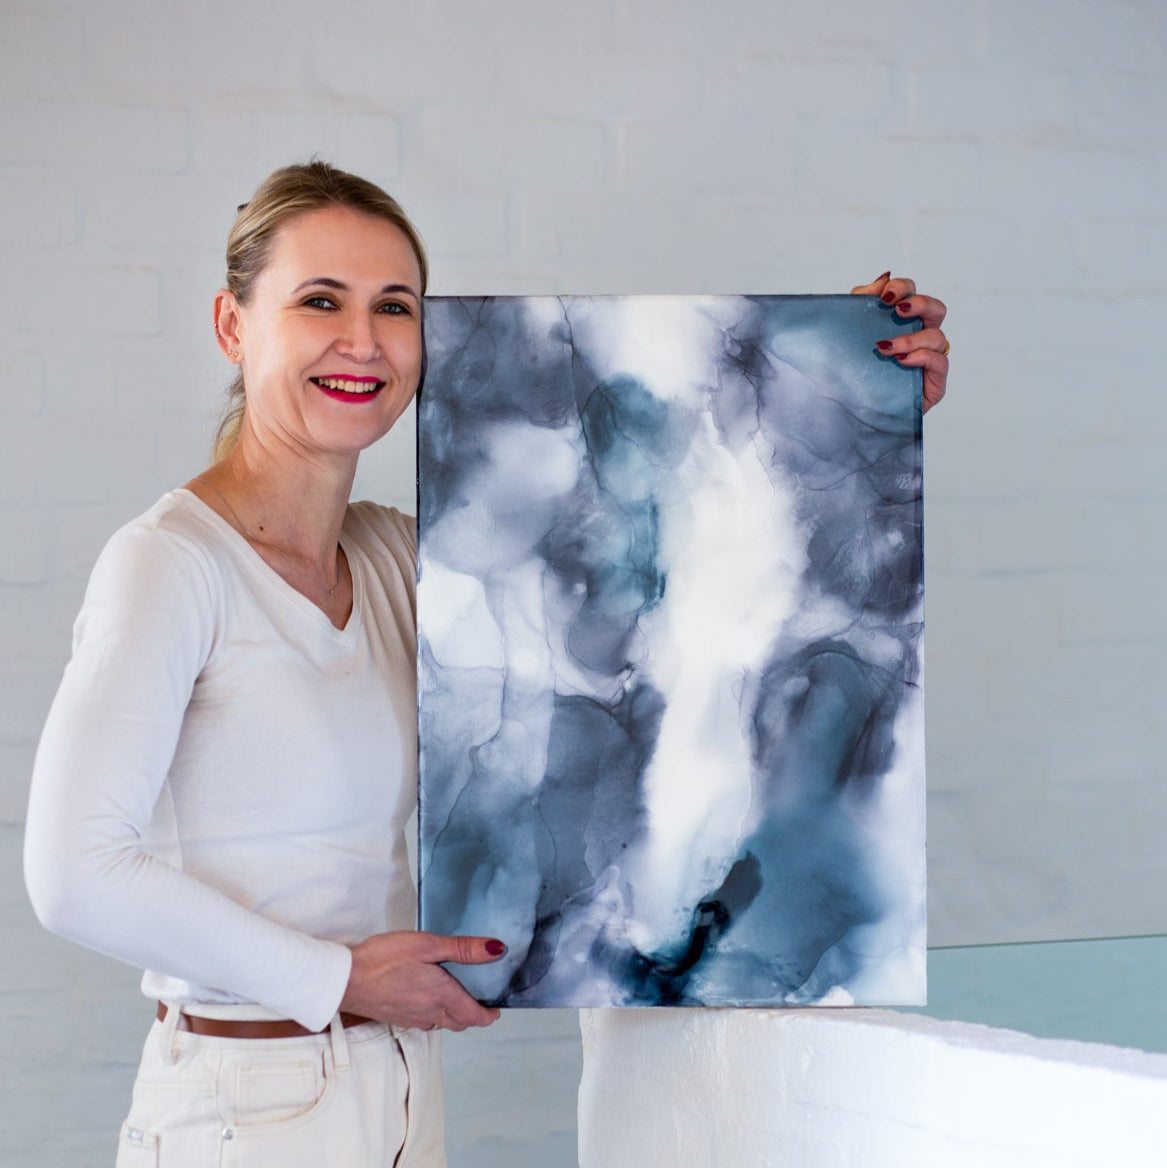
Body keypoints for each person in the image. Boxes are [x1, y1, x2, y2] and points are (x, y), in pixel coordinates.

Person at [23, 161, 949, 1167]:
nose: (363, 340)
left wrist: (862, 388)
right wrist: (337, 978)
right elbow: (72, 874)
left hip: (397, 1092)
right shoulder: (171, 563)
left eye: (396, 306)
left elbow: (654, 584)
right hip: (243, 1107)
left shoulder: (386, 556)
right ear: (233, 324)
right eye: (319, 300)